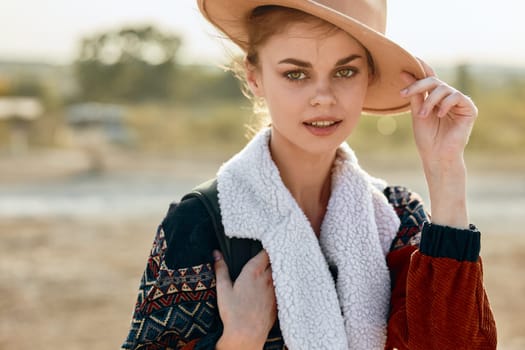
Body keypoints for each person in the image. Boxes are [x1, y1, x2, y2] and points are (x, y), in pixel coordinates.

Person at [122, 1, 497, 349]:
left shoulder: (398, 216)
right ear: (254, 77)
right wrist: (237, 341)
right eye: (296, 73)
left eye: (345, 71)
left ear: (367, 77)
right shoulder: (199, 223)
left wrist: (445, 172)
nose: (323, 97)